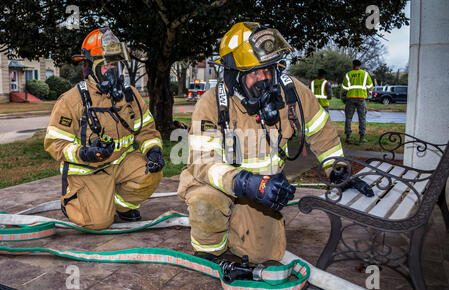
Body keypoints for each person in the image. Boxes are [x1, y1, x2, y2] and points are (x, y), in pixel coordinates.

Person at [177, 22, 373, 264]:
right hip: (221, 187)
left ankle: (237, 222)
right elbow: (204, 163)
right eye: (255, 73)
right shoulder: (211, 104)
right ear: (234, 75)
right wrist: (244, 182)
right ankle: (210, 252)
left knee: (262, 255)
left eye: (269, 70)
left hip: (261, 192)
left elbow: (321, 131)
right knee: (206, 203)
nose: (265, 79)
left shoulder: (291, 93)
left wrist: (337, 169)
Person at [44, 28, 165, 230]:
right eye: (106, 65)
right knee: (98, 223)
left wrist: (153, 151)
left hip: (122, 163)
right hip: (91, 170)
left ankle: (121, 206)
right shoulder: (71, 100)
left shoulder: (130, 95)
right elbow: (55, 143)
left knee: (151, 172)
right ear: (90, 67)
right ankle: (73, 203)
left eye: (115, 64)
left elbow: (147, 130)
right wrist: (85, 152)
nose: (112, 70)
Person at [342, 59, 374, 144]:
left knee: (348, 118)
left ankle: (348, 137)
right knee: (362, 118)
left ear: (353, 65)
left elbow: (344, 88)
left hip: (351, 98)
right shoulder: (365, 74)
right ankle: (362, 137)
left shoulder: (348, 74)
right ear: (360, 65)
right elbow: (370, 87)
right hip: (361, 98)